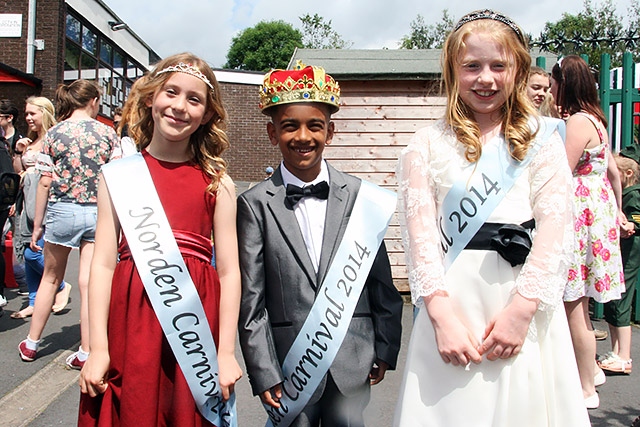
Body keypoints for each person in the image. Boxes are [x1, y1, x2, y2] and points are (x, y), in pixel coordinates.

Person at [393, 10, 590, 426]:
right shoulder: (425, 144)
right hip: (451, 307)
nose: (486, 78)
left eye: (498, 66)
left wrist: (521, 312)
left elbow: (556, 231)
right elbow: (421, 238)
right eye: (472, 66)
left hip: (522, 301)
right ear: (452, 71)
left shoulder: (543, 141)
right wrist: (442, 319)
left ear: (517, 70)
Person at [78, 52, 242, 426]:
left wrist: (226, 351)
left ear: (207, 114)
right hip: (130, 320)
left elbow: (230, 272)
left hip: (194, 323)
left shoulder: (218, 183)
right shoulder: (117, 176)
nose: (179, 106)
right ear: (151, 96)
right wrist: (98, 347)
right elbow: (102, 264)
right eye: (171, 92)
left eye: (194, 99)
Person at [237, 62, 403, 427]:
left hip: (353, 358)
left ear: (330, 131)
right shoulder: (254, 204)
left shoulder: (361, 197)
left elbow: (380, 281)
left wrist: (386, 346)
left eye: (314, 126)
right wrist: (263, 370)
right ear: (271, 133)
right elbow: (252, 298)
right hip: (288, 363)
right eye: (289, 126)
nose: (302, 136)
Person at [17, 80, 120, 369]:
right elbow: (115, 178)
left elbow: (45, 181)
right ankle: (87, 350)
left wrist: (37, 225)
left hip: (62, 210)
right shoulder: (107, 133)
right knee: (90, 282)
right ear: (93, 101)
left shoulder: (55, 133)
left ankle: (32, 342)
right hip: (97, 211)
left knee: (50, 277)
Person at [553, 54, 628, 409]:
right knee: (579, 303)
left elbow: (560, 172)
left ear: (563, 83)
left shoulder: (577, 122)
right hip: (597, 213)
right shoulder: (597, 120)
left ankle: (585, 386)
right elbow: (613, 173)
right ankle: (592, 374)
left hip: (579, 216)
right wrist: (618, 212)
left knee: (573, 305)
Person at [11, 97, 70, 319]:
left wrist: (36, 172)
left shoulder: (54, 137)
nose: (28, 118)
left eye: (32, 113)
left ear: (45, 113)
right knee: (26, 251)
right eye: (26, 113)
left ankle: (61, 284)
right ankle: (34, 301)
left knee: (34, 252)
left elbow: (60, 171)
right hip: (26, 199)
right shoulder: (30, 140)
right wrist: (19, 153)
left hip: (44, 200)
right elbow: (18, 172)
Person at [599, 147, 640, 375]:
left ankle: (623, 355)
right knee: (616, 299)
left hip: (629, 251)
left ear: (627, 174)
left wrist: (632, 224)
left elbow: (637, 217)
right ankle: (617, 352)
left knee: (621, 299)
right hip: (624, 250)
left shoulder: (633, 194)